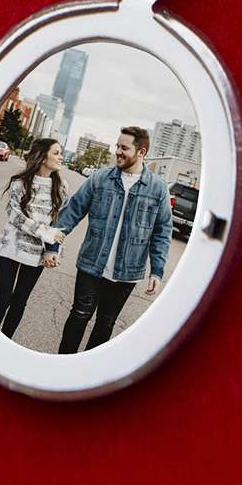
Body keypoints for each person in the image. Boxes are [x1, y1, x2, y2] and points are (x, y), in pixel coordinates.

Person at [54, 125, 173, 353]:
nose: (117, 151)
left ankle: (89, 370)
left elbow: (162, 231)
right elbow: (73, 211)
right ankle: (63, 364)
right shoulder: (100, 178)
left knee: (106, 323)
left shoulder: (158, 189)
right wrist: (53, 243)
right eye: (117, 146)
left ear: (141, 152)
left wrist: (157, 271)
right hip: (91, 264)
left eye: (124, 148)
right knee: (79, 315)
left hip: (127, 272)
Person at [0, 138, 69, 340]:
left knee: (19, 302)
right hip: (10, 247)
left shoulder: (61, 187)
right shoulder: (19, 183)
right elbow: (14, 216)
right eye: (56, 153)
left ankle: (5, 343)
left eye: (61, 153)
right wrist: (45, 232)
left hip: (36, 254)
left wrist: (54, 250)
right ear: (42, 157)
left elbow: (58, 223)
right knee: (2, 298)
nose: (61, 157)